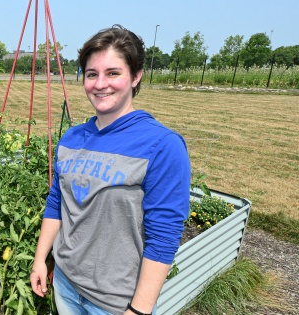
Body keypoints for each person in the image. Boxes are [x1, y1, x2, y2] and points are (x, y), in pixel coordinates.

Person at [29, 25, 191, 315]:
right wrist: (41, 259)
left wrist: (139, 310)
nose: (100, 83)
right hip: (66, 285)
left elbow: (164, 237)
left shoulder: (162, 145)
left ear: (136, 76)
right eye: (92, 74)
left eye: (113, 73)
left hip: (116, 303)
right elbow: (56, 203)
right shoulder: (72, 138)